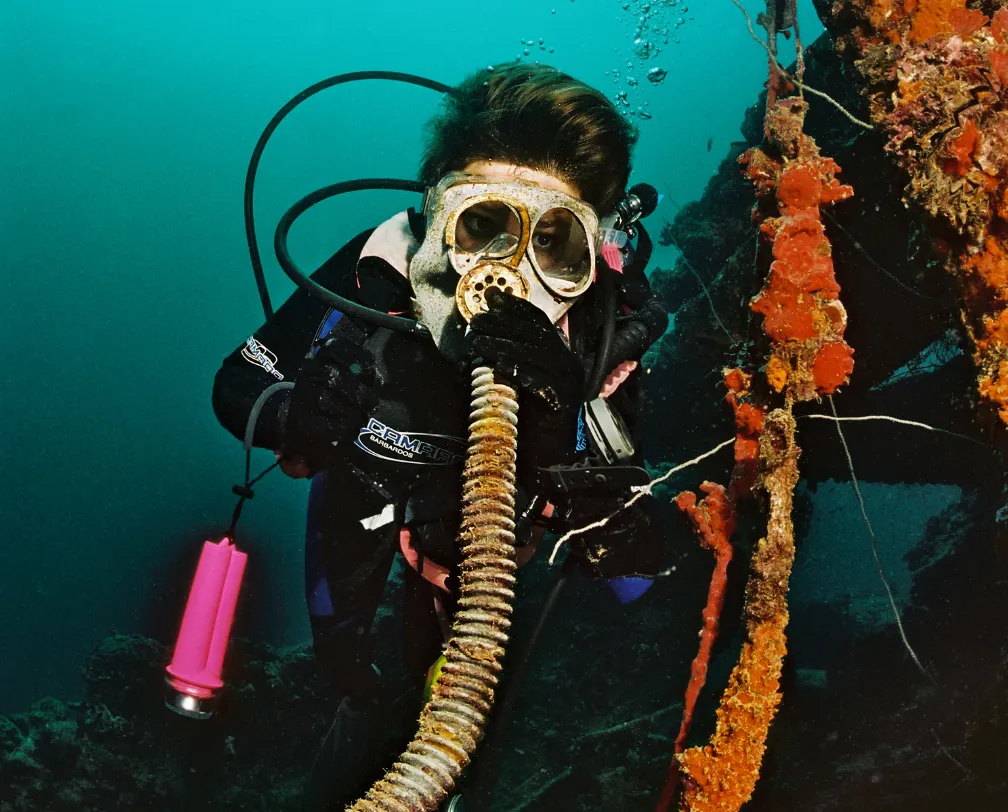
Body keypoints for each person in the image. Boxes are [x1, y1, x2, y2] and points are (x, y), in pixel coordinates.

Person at [211, 63, 669, 810]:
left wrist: (559, 428)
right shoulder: (377, 273)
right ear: (433, 213)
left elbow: (631, 569)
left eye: (551, 240)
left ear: (591, 249)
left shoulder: (600, 328)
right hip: (361, 489)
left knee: (459, 681)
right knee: (350, 668)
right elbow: (236, 382)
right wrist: (296, 415)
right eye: (483, 225)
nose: (506, 274)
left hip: (486, 533)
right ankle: (358, 720)